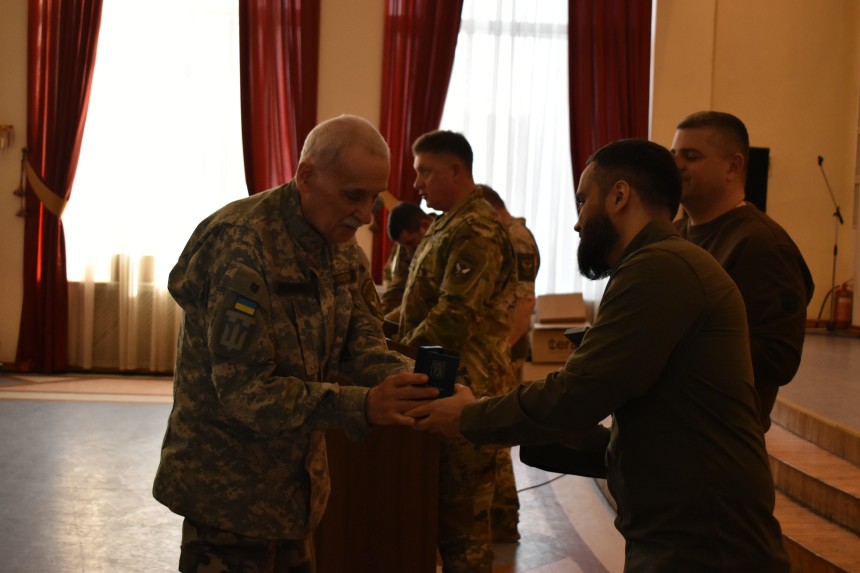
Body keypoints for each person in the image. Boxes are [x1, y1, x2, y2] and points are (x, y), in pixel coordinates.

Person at [408, 138, 791, 572]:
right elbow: (645, 415)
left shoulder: (660, 267)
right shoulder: (660, 262)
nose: (577, 223)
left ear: (619, 195)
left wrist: (468, 416)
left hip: (704, 541)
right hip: (686, 527)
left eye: (582, 201)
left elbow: (580, 392)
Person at [152, 114, 437, 573]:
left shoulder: (342, 250)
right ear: (307, 176)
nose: (366, 215)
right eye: (352, 196)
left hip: (296, 494)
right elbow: (245, 392)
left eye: (373, 198)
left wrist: (419, 386)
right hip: (228, 496)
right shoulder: (242, 244)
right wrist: (364, 405)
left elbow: (363, 346)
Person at [396, 130, 516, 572]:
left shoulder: (476, 229)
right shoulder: (449, 223)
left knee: (463, 526)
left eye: (425, 171)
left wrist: (396, 357)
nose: (417, 183)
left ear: (456, 170)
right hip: (442, 380)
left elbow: (452, 319)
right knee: (442, 515)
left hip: (467, 387)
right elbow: (420, 302)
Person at [672, 111, 814, 432]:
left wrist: (671, 343)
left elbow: (779, 358)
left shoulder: (763, 245)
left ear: (733, 167)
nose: (676, 166)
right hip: (670, 425)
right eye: (673, 155)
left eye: (691, 157)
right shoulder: (673, 234)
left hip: (719, 435)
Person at [479, 183, 541, 543]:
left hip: (505, 350)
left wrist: (500, 351)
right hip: (497, 349)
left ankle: (502, 519)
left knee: (497, 433)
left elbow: (524, 303)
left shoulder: (516, 237)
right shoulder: (507, 234)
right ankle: (499, 518)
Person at [380, 201, 434, 317]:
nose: (409, 252)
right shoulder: (407, 244)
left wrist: (389, 319)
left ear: (425, 226)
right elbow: (398, 287)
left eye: (410, 243)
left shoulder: (446, 238)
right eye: (403, 245)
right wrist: (378, 315)